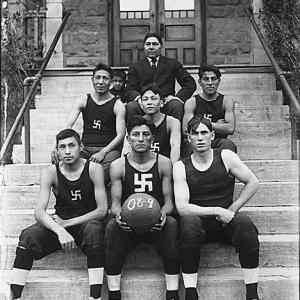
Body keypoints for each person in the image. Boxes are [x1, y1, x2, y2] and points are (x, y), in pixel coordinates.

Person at [7, 129, 108, 300]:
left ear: (80, 147)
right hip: (60, 225)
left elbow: (102, 210)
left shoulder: (93, 168)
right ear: (57, 150)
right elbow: (39, 211)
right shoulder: (51, 172)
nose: (67, 151)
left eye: (71, 146)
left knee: (94, 230)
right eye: (62, 147)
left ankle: (95, 297)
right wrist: (60, 230)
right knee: (28, 236)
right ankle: (14, 296)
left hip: (86, 224)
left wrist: (67, 224)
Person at [173, 117, 260, 300]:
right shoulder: (181, 166)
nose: (200, 138)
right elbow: (182, 208)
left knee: (246, 225)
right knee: (188, 224)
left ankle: (252, 294)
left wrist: (232, 208)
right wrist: (217, 210)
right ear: (188, 138)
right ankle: (190, 292)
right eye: (195, 134)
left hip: (224, 223)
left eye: (204, 133)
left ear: (212, 135)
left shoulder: (226, 156)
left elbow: (253, 181)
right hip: (199, 225)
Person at [105, 115, 180, 300]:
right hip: (129, 224)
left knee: (171, 224)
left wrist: (162, 214)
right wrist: (120, 216)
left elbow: (169, 201)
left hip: (156, 224)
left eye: (145, 134)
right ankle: (114, 292)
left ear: (152, 138)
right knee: (112, 227)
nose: (140, 138)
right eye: (135, 134)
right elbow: (114, 205)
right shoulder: (118, 165)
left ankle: (172, 292)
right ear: (128, 138)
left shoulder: (163, 163)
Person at [51, 63, 126, 184]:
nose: (101, 82)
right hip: (85, 148)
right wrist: (56, 146)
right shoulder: (84, 100)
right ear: (92, 80)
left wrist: (103, 152)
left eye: (105, 78)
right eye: (98, 78)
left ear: (111, 82)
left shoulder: (118, 105)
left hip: (108, 150)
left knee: (102, 174)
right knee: (60, 161)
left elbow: (120, 135)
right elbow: (68, 126)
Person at [126, 32, 196, 121]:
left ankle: (176, 133)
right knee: (131, 107)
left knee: (176, 105)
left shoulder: (172, 63)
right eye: (148, 44)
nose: (151, 47)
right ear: (144, 47)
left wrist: (177, 98)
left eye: (155, 44)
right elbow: (129, 89)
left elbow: (190, 84)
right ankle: (135, 133)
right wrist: (139, 98)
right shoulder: (135, 66)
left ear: (160, 46)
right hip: (144, 102)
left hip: (166, 102)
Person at [182, 65, 237, 153]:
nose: (210, 83)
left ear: (219, 81)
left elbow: (230, 128)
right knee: (187, 145)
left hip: (217, 141)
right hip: (198, 140)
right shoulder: (192, 102)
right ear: (200, 82)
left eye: (213, 79)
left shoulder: (226, 101)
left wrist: (197, 123)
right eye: (206, 79)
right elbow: (185, 129)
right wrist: (214, 125)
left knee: (228, 144)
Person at [122, 84, 181, 164]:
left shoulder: (172, 122)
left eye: (153, 99)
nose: (149, 102)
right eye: (145, 99)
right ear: (141, 105)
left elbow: (175, 147)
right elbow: (126, 148)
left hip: (164, 165)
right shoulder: (135, 122)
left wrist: (172, 169)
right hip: (141, 165)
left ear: (161, 103)